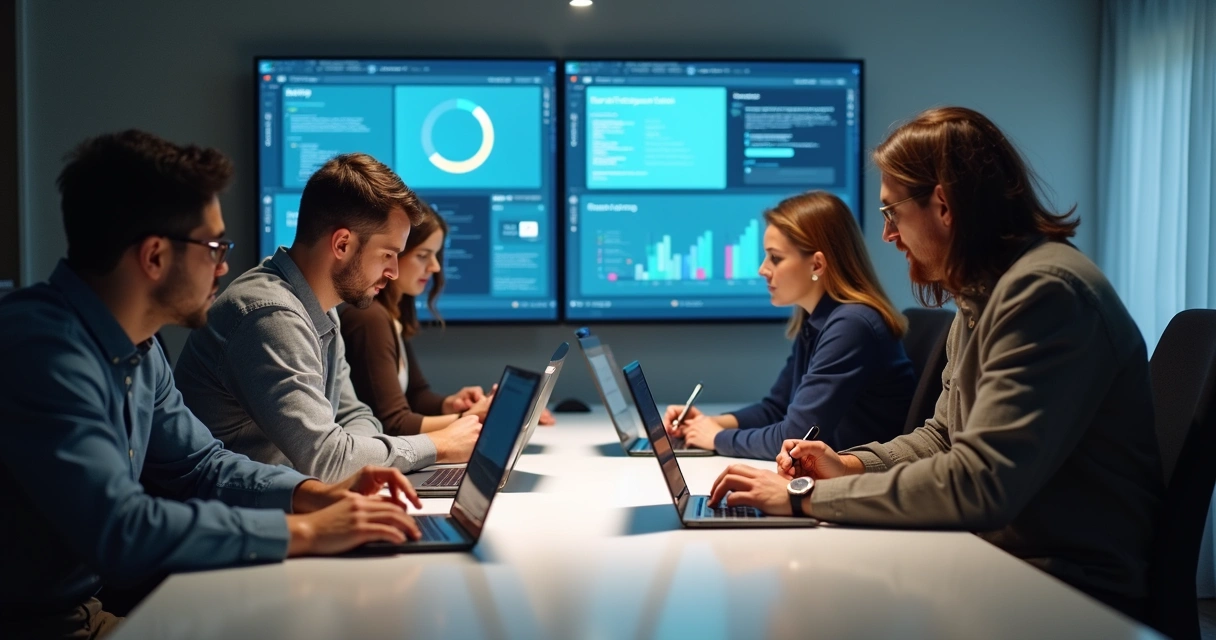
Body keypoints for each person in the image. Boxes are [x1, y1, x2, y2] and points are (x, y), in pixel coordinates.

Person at [709, 107, 1163, 618]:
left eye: (892, 213)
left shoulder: (1044, 294)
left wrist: (802, 497)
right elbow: (942, 437)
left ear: (943, 205)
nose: (888, 235)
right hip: (1003, 557)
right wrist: (847, 466)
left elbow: (979, 482)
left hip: (1068, 590)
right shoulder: (983, 294)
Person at [0, 131, 422, 639]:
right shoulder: (43, 352)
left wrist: (314, 495)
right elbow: (122, 530)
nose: (224, 266)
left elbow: (200, 466)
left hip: (85, 612)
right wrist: (306, 530)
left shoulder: (141, 348)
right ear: (155, 256)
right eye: (214, 246)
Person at [175, 153, 481, 483]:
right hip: (236, 511)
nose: (393, 271)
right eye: (388, 254)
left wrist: (353, 456)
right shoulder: (270, 315)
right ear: (342, 244)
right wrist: (438, 445)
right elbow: (327, 459)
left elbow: (355, 415)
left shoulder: (321, 306)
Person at [663, 191, 915, 459]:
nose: (762, 269)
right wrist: (709, 424)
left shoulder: (852, 326)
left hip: (861, 480)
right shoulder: (819, 320)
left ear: (816, 264)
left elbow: (795, 437)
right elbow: (777, 408)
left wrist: (716, 438)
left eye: (775, 258)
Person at [340, 205, 554, 436]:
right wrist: (474, 417)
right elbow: (393, 424)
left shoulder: (392, 315)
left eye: (436, 255)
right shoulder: (369, 318)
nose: (435, 267)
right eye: (423, 255)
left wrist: (451, 405)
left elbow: (416, 396)